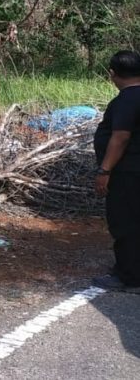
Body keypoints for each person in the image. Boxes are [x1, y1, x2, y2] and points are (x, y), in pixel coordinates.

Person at [92, 50, 140, 291]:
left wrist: (104, 171)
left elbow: (120, 137)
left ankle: (129, 277)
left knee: (125, 223)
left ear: (113, 74)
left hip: (128, 174)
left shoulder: (128, 99)